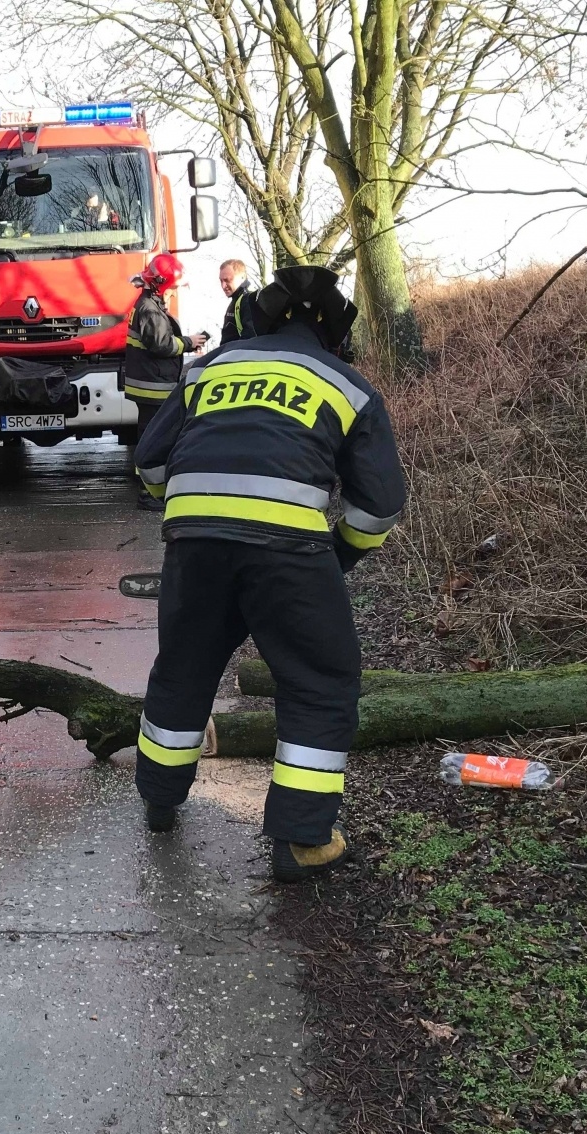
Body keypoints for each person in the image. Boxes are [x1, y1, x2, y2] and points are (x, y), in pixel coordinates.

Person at [131, 266, 406, 881]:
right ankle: (302, 840)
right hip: (290, 553)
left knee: (183, 665)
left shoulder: (209, 370)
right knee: (318, 680)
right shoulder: (348, 386)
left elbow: (149, 462)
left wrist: (192, 514)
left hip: (194, 546)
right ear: (333, 334)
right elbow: (378, 506)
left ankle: (159, 801)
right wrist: (337, 558)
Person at [123, 252, 209, 511]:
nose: (174, 292)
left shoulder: (148, 304)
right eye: (172, 287)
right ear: (161, 285)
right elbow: (161, 344)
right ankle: (149, 494)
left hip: (150, 385)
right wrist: (189, 342)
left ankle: (151, 489)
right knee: (155, 439)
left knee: (150, 436)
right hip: (154, 388)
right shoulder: (150, 309)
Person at [218, 259, 256, 345]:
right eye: (221, 281)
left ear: (242, 277)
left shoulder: (248, 301)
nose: (223, 286)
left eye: (227, 280)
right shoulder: (237, 301)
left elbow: (250, 338)